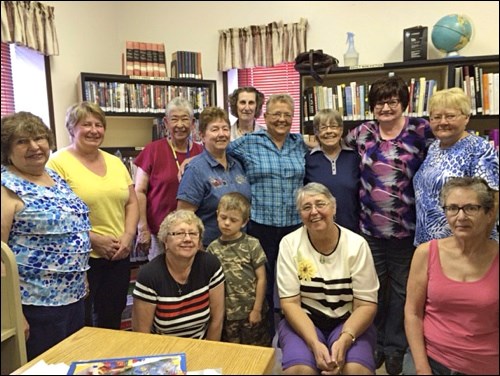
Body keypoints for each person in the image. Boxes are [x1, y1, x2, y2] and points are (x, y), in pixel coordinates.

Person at [342, 75, 433, 374]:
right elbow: (335, 151)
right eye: (379, 102)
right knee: (373, 289)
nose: (386, 107)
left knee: (402, 290)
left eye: (392, 101)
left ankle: (395, 346)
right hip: (368, 230)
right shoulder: (361, 133)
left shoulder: (420, 130)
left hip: (406, 230)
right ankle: (375, 342)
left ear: (403, 103)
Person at [1, 112, 91, 360]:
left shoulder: (55, 178)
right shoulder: (6, 186)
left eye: (39, 138)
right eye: (22, 141)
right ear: (7, 150)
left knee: (74, 363)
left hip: (74, 298)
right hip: (34, 306)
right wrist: (12, 313)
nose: (34, 146)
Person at [47, 101, 139, 330]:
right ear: (72, 128)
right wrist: (94, 239)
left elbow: (132, 202)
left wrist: (128, 236)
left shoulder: (115, 162)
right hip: (81, 257)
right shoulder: (56, 163)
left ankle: (110, 364)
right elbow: (56, 213)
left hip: (118, 254)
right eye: (86, 124)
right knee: (82, 319)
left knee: (112, 313)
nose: (94, 130)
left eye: (99, 124)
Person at [227, 93, 309, 337]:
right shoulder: (248, 142)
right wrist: (192, 159)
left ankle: (295, 331)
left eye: (287, 115)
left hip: (294, 226)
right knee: (263, 282)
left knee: (295, 280)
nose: (282, 119)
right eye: (276, 114)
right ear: (266, 116)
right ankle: (266, 334)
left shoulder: (299, 143)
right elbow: (218, 150)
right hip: (261, 225)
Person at [277, 182, 379, 375]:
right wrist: (314, 343)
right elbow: (290, 303)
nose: (314, 211)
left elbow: (366, 305)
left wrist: (346, 338)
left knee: (356, 370)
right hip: (305, 320)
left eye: (320, 204)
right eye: (306, 207)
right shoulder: (289, 244)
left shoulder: (357, 245)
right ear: (300, 214)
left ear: (334, 207)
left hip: (347, 320)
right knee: (300, 370)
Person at [404, 177, 499, 375]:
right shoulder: (426, 253)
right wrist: (422, 369)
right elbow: (412, 313)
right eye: (452, 208)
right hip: (432, 359)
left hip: (485, 364)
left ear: (489, 214)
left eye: (471, 208)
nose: (460, 217)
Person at [413, 87, 499, 246]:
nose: (443, 122)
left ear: (466, 117)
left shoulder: (479, 149)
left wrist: (480, 244)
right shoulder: (434, 147)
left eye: (450, 116)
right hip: (429, 244)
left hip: (466, 245)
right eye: (436, 117)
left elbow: (493, 200)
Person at [132, 209, 225, 340]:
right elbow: (141, 333)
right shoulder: (149, 275)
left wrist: (208, 355)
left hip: (201, 346)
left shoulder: (210, 266)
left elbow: (217, 321)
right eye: (179, 233)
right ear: (165, 241)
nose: (187, 239)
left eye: (193, 233)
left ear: (199, 242)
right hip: (162, 351)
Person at [134, 97, 204, 260]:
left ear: (193, 123)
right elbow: (139, 191)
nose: (180, 125)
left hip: (192, 235)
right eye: (174, 119)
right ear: (165, 123)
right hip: (159, 234)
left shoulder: (202, 152)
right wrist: (142, 227)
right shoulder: (152, 150)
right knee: (161, 281)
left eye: (185, 119)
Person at [177, 107, 251, 248]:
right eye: (215, 129)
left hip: (241, 249)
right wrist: (200, 255)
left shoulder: (238, 164)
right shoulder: (195, 170)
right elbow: (184, 218)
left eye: (225, 128)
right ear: (202, 136)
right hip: (209, 250)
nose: (221, 134)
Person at [206, 192, 270, 346]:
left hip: (251, 312)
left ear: (244, 222)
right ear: (217, 215)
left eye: (233, 220)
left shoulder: (252, 244)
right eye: (223, 217)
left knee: (256, 353)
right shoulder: (212, 248)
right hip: (227, 315)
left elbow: (261, 279)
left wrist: (257, 309)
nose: (227, 223)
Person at [305, 109, 361, 233]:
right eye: (323, 128)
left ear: (341, 130)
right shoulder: (308, 160)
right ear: (316, 132)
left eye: (334, 126)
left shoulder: (355, 158)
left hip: (351, 230)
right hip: (318, 229)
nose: (329, 131)